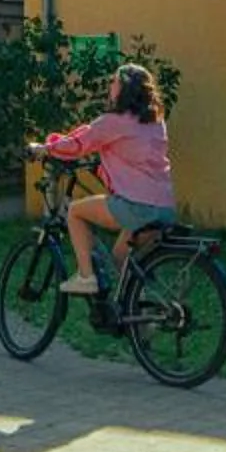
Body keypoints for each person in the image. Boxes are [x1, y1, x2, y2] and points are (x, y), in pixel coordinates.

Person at [39, 63, 173, 295]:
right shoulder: (155, 121)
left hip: (135, 206)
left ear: (124, 88)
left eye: (114, 81)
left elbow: (79, 143)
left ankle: (86, 277)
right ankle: (142, 317)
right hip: (164, 208)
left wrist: (44, 148)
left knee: (75, 212)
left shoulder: (115, 121)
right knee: (121, 257)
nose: (110, 85)